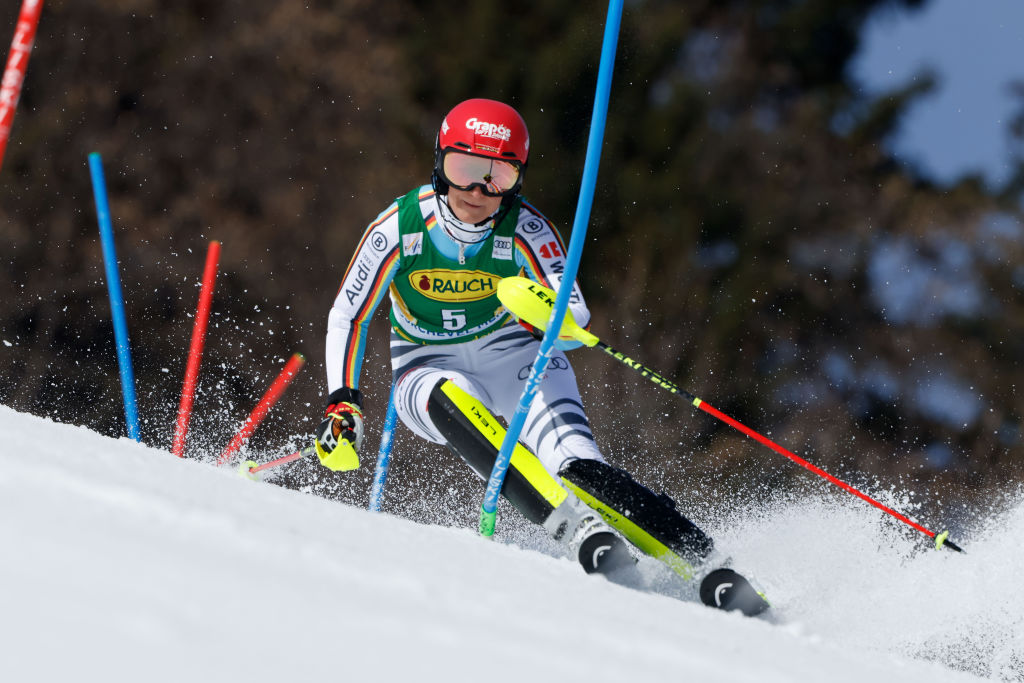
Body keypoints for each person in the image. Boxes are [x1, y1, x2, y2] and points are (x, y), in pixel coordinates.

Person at [314, 98, 768, 615]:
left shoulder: (527, 230)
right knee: (451, 396)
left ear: (517, 180)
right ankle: (574, 528)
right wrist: (343, 402)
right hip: (425, 362)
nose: (477, 192)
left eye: (497, 176)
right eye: (463, 169)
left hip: (513, 356)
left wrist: (545, 315)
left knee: (575, 465)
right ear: (438, 163)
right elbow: (348, 316)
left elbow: (574, 317)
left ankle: (708, 564)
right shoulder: (399, 229)